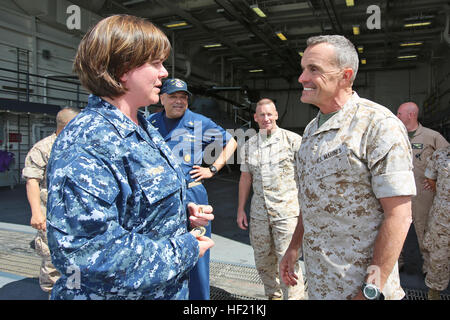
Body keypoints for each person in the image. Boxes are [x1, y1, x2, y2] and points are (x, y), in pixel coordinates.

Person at [46, 15, 214, 300]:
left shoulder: (143, 126)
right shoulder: (90, 139)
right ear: (124, 70)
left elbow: (136, 209)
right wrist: (184, 248)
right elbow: (85, 252)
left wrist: (181, 216)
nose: (163, 73)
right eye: (156, 63)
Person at [280, 35, 416, 300]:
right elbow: (309, 202)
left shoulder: (378, 125)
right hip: (319, 285)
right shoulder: (310, 131)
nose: (302, 78)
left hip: (361, 291)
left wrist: (371, 288)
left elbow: (399, 216)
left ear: (345, 76)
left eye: (314, 69)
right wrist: (293, 249)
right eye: (303, 69)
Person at [149, 78, 237, 300]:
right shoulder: (150, 123)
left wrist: (213, 169)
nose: (179, 101)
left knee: (198, 250)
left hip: (192, 195)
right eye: (173, 96)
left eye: (183, 97)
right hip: (160, 197)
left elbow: (231, 142)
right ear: (162, 98)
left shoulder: (199, 123)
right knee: (162, 249)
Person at [237, 98, 305, 300]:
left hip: (286, 213)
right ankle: (273, 296)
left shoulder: (293, 141)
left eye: (270, 114)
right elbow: (245, 177)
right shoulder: (249, 146)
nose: (266, 118)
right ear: (255, 117)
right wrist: (241, 209)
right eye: (262, 115)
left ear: (276, 115)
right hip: (259, 214)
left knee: (288, 261)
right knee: (263, 261)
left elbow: (306, 176)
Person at [22, 107, 80, 295]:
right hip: (51, 215)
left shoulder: (80, 145)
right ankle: (52, 293)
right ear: (66, 126)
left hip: (77, 217)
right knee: (51, 259)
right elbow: (32, 181)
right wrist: (36, 213)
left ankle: (72, 293)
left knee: (76, 260)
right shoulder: (44, 148)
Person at [396, 102, 449, 274]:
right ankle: (397, 263)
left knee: (424, 229)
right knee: (395, 227)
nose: (397, 117)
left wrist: (436, 180)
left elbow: (446, 159)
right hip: (398, 191)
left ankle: (428, 267)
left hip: (422, 192)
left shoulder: (432, 137)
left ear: (411, 115)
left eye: (399, 114)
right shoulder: (395, 135)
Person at [422, 146, 449, 300]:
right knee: (439, 255)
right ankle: (434, 291)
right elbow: (431, 179)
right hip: (442, 219)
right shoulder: (440, 155)